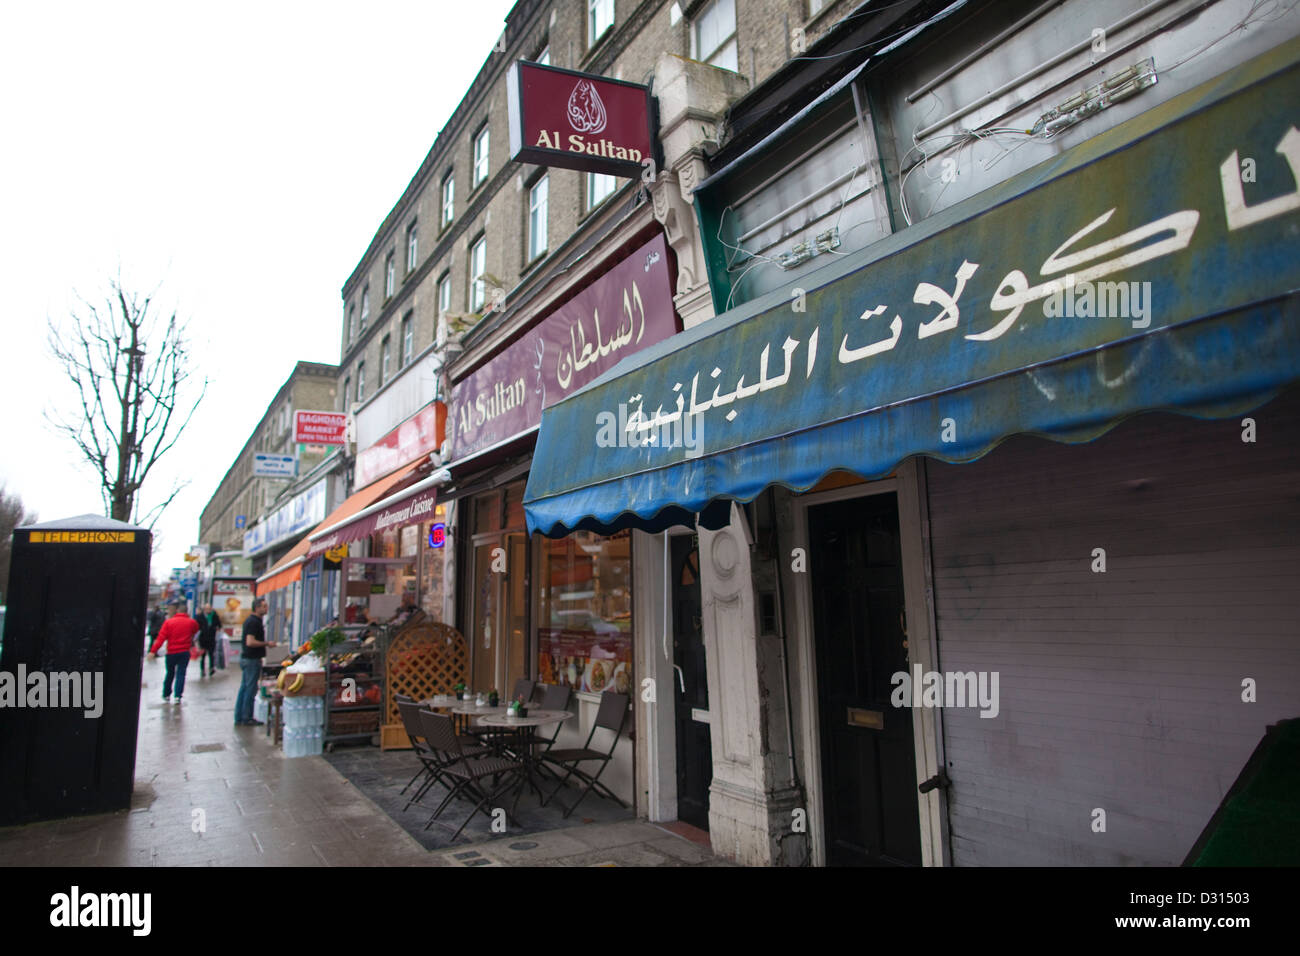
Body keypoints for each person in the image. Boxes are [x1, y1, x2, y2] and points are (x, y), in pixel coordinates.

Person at [148, 601, 200, 705]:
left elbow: (161, 638)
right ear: (187, 612)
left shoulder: (169, 622)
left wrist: (153, 651)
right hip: (184, 652)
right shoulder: (191, 622)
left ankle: (166, 694)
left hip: (171, 652)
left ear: (177, 611)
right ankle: (178, 696)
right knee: (181, 674)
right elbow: (196, 630)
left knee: (170, 673)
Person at [235, 598, 276, 727]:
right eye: (264, 606)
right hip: (251, 659)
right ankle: (246, 717)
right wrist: (267, 644)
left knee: (244, 688)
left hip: (247, 658)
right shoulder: (253, 622)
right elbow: (250, 642)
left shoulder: (252, 621)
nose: (266, 609)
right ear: (257, 607)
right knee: (250, 689)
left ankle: (240, 716)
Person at [195, 603, 222, 677]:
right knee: (203, 655)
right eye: (207, 609)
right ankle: (202, 670)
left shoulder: (214, 616)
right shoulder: (199, 617)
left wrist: (217, 629)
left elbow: (219, 625)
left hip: (211, 638)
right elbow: (196, 626)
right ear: (204, 609)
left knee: (211, 654)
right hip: (203, 638)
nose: (208, 610)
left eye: (210, 609)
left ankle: (211, 668)